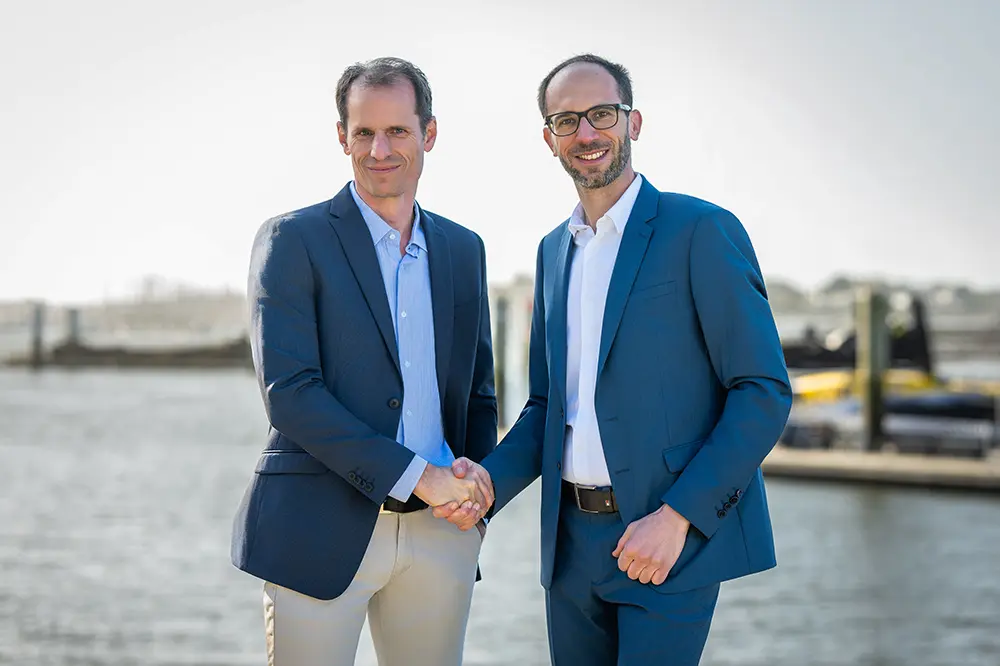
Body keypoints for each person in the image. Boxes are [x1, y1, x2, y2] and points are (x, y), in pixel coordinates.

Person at [439, 53, 792, 665]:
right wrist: (488, 483)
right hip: (569, 550)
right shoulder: (552, 252)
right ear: (549, 139)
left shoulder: (700, 230)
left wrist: (677, 518)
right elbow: (548, 406)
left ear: (633, 122)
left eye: (601, 114)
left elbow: (762, 390)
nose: (586, 133)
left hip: (667, 541)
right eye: (566, 120)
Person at [231, 56, 496, 666]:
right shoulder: (293, 239)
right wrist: (418, 476)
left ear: (429, 134)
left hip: (441, 531)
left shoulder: (463, 249)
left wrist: (476, 499)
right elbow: (291, 394)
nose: (380, 150)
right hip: (317, 529)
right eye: (364, 133)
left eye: (397, 131)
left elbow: (477, 391)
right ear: (341, 137)